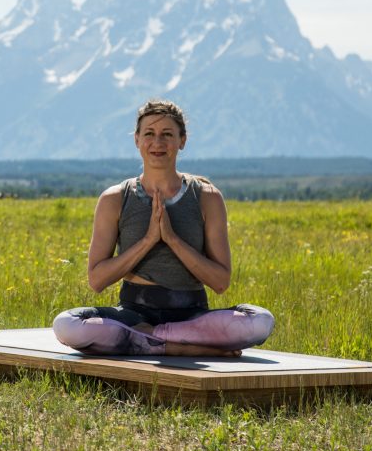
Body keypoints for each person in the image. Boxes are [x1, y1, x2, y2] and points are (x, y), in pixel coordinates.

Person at [52, 99, 274, 357]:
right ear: (137, 140)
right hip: (135, 315)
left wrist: (172, 239)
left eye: (167, 134)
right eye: (149, 134)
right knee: (67, 325)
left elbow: (220, 282)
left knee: (260, 321)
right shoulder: (114, 199)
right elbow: (97, 280)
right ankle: (183, 347)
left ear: (182, 140)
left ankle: (153, 341)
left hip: (191, 317)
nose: (157, 143)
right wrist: (148, 240)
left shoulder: (207, 197)